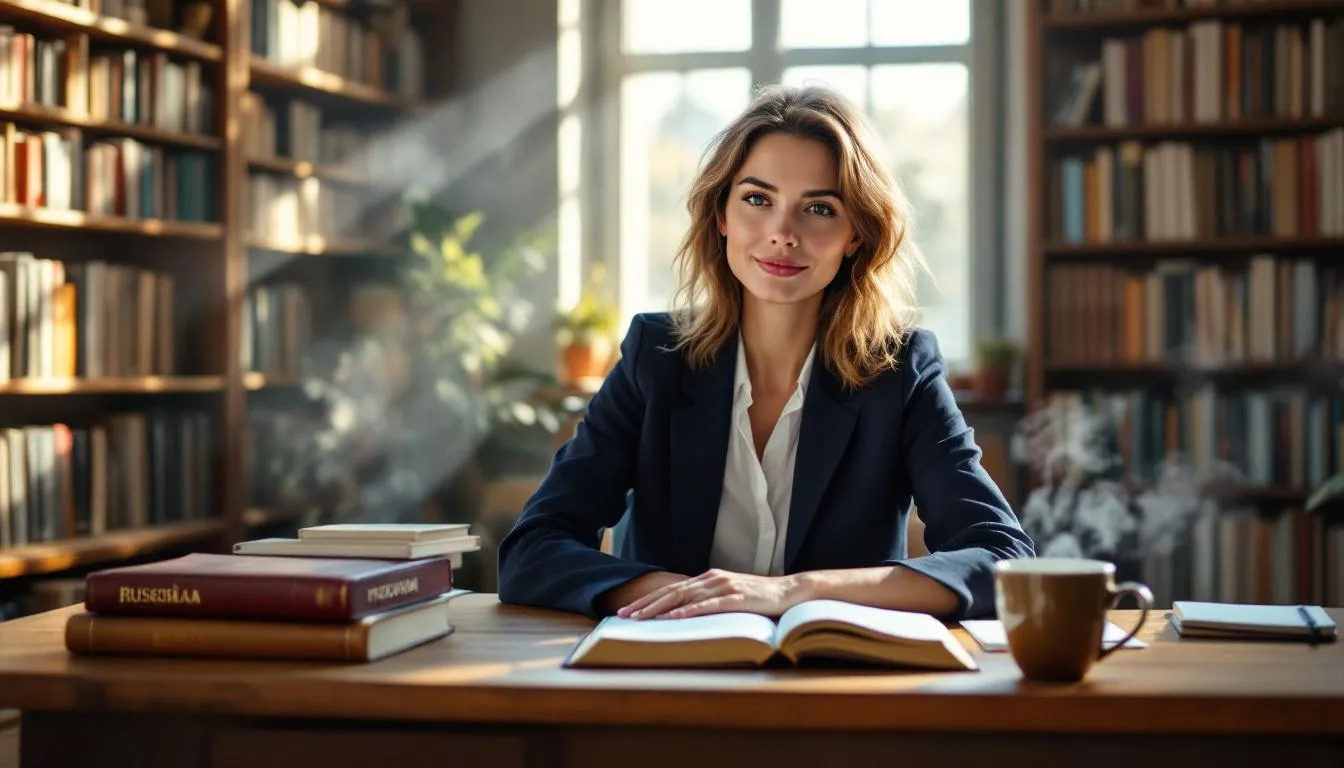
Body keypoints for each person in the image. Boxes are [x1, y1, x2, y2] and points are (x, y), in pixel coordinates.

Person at [497, 84, 1034, 622]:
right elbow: (533, 551)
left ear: (856, 235)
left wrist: (790, 592)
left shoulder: (900, 370)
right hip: (665, 674)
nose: (782, 233)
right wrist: (689, 594)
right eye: (757, 199)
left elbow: (1002, 558)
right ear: (722, 215)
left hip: (834, 683)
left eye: (819, 208)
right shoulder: (654, 358)